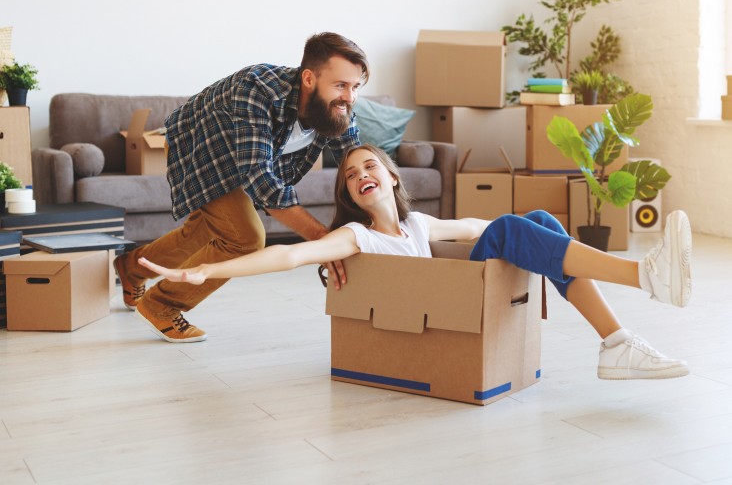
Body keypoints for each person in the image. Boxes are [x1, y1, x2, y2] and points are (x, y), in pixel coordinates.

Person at [139, 144, 693, 380]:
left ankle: (616, 343)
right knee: (510, 229)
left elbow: (476, 228)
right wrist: (206, 270)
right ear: (353, 197)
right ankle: (644, 276)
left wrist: (523, 230)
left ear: (392, 176)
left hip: (456, 280)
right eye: (351, 176)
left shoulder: (419, 225)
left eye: (368, 165)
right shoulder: (356, 235)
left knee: (536, 226)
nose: (361, 175)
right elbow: (289, 253)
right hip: (445, 296)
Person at [113, 32, 369, 343]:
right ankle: (161, 305)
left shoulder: (337, 108)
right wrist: (322, 240)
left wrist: (380, 221)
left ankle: (131, 268)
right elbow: (262, 181)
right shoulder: (258, 88)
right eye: (341, 85)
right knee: (245, 238)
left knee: (206, 232)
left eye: (355, 87)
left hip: (244, 155)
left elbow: (360, 165)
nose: (349, 97)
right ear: (309, 79)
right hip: (201, 146)